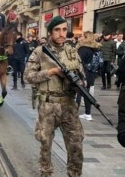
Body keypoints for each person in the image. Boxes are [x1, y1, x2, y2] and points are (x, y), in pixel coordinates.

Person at [24, 15, 85, 176]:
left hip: (68, 105)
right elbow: (28, 76)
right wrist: (51, 72)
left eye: (64, 29)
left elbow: (83, 78)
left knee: (76, 146)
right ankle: (46, 173)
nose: (61, 33)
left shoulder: (73, 52)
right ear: (50, 32)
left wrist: (78, 84)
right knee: (45, 145)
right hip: (48, 105)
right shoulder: (39, 52)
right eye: (57, 30)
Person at [77, 31, 102, 121]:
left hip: (83, 74)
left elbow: (77, 62)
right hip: (91, 74)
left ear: (85, 37)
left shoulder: (83, 48)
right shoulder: (96, 48)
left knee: (79, 93)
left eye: (82, 36)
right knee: (87, 94)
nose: (80, 38)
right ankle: (88, 113)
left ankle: (74, 112)